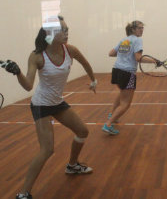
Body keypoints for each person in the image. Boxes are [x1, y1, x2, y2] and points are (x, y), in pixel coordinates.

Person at [1, 16, 97, 199]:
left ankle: (72, 165)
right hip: (41, 105)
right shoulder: (37, 55)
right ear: (49, 33)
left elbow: (86, 64)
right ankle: (23, 193)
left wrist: (93, 80)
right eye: (63, 29)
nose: (67, 32)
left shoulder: (70, 50)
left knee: (83, 131)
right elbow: (28, 85)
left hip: (57, 102)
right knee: (47, 149)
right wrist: (18, 72)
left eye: (67, 29)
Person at [102, 20, 154, 135]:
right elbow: (138, 58)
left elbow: (111, 53)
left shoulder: (124, 40)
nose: (142, 30)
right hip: (127, 73)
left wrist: (123, 55)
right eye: (140, 28)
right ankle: (108, 124)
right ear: (133, 30)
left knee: (121, 93)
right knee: (126, 103)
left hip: (116, 71)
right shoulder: (137, 40)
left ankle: (112, 115)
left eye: (142, 27)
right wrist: (155, 61)